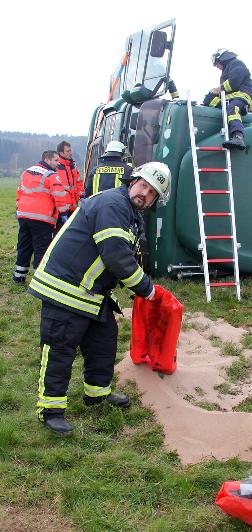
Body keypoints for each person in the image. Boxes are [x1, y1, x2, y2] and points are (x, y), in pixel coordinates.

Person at [27, 161, 171, 435]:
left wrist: (138, 283)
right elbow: (116, 255)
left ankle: (97, 394)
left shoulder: (129, 212)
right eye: (143, 185)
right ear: (133, 181)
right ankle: (51, 410)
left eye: (152, 193)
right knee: (60, 348)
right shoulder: (113, 204)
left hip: (90, 291)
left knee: (104, 339)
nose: (145, 194)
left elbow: (127, 255)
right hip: (65, 287)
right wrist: (146, 289)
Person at [12, 151, 69, 284]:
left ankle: (19, 276)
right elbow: (60, 195)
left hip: (23, 215)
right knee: (41, 248)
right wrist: (63, 213)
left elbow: (19, 191)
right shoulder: (51, 175)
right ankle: (39, 280)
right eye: (56, 160)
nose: (58, 163)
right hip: (42, 218)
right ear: (47, 160)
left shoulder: (27, 172)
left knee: (24, 246)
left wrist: (19, 208)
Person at [203, 48, 252, 151]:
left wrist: (218, 89)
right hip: (230, 97)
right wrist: (212, 94)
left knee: (232, 109)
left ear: (222, 59)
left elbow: (234, 81)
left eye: (216, 63)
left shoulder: (236, 63)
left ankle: (238, 137)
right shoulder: (226, 69)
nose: (216, 66)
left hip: (241, 95)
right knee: (208, 99)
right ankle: (233, 108)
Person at [56, 140, 84, 216]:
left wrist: (82, 195)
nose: (71, 153)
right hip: (62, 209)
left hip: (74, 207)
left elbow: (78, 182)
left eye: (70, 150)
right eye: (68, 151)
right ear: (61, 153)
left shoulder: (72, 166)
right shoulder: (56, 167)